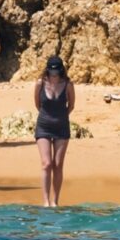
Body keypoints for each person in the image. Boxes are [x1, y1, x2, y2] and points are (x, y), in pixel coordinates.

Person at [34, 56, 75, 207]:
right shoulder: (40, 83)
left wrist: (60, 117)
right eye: (51, 71)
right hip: (43, 126)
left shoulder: (68, 84)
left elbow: (71, 105)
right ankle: (45, 201)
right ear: (47, 70)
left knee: (58, 164)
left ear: (61, 69)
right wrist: (49, 116)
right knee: (46, 163)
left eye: (56, 71)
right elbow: (38, 104)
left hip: (62, 127)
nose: (54, 74)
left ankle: (55, 201)